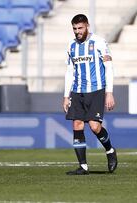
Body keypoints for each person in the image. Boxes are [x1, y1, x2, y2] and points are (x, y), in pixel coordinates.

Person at [63, 14, 117, 175]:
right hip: (77, 91)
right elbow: (69, 71)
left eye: (80, 28)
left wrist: (109, 93)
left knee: (94, 126)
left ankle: (110, 150)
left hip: (96, 90)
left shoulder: (99, 42)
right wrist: (66, 96)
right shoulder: (71, 46)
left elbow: (109, 68)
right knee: (77, 125)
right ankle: (83, 166)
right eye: (74, 28)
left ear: (87, 26)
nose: (77, 31)